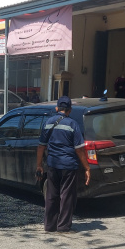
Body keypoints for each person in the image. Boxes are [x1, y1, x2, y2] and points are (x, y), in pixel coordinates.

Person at [35, 96, 91, 233]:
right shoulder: (73, 124)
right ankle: (63, 226)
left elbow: (41, 146)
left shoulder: (48, 123)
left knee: (51, 195)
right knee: (67, 196)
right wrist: (87, 167)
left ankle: (49, 225)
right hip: (69, 166)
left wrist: (39, 165)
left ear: (56, 108)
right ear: (70, 110)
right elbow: (79, 149)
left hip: (53, 165)